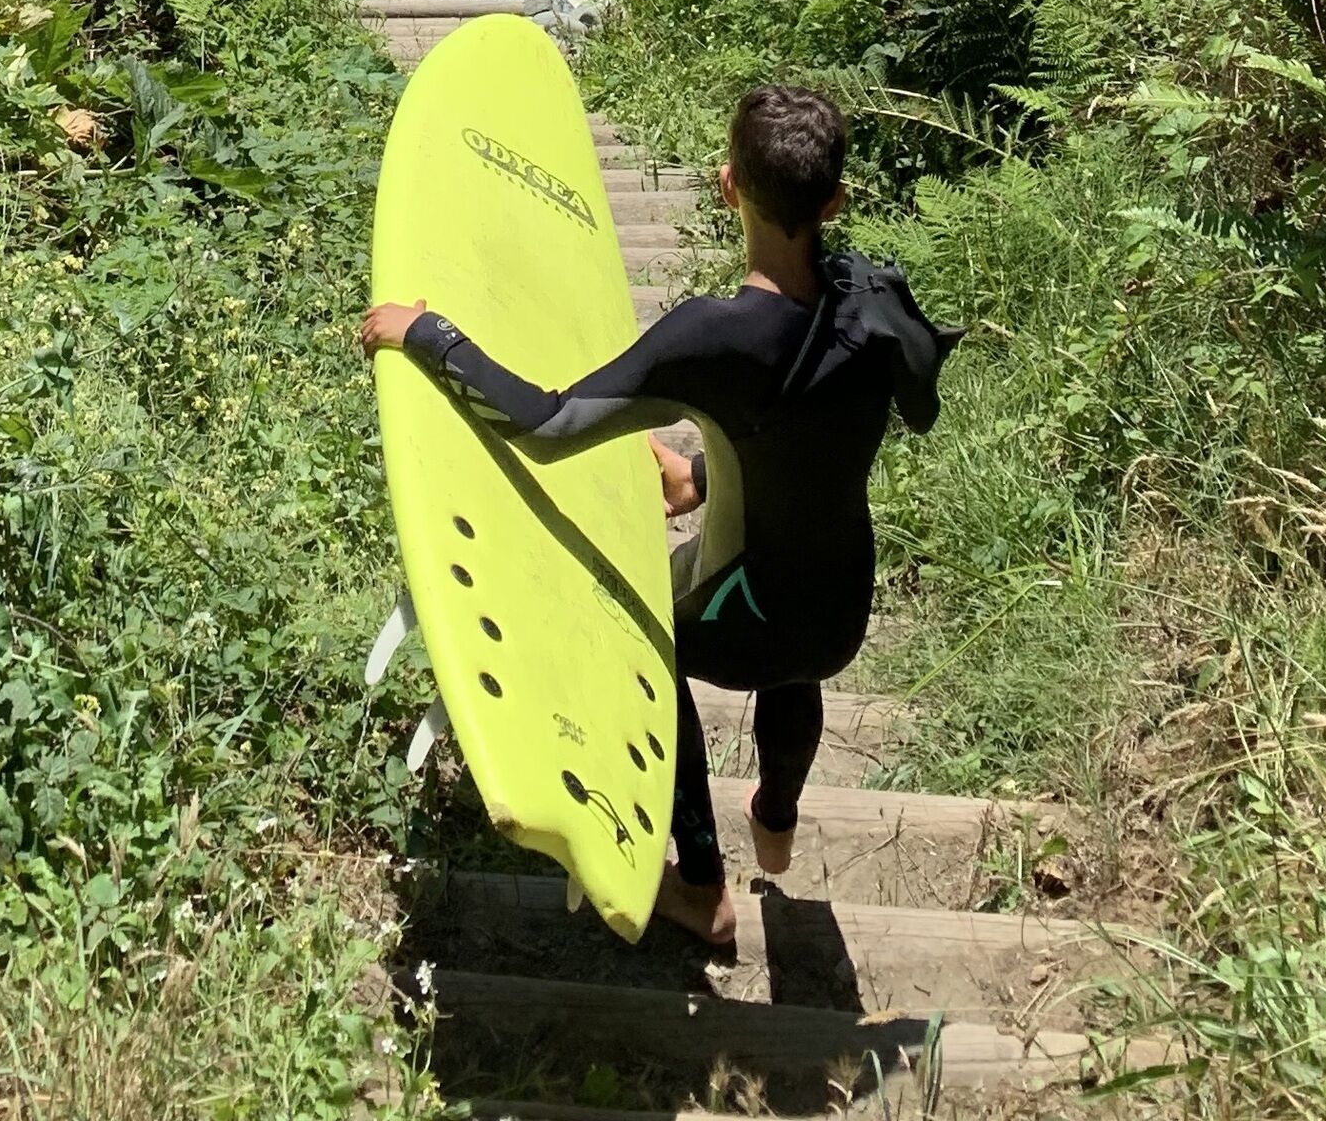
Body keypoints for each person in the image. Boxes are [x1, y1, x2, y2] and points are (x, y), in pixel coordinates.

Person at [360, 83, 952, 958]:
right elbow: (819, 437)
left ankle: (704, 887)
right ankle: (777, 817)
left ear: (725, 187)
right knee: (797, 655)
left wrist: (431, 334)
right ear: (834, 201)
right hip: (843, 612)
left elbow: (549, 425)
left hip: (755, 618)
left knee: (654, 646)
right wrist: (706, 474)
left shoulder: (716, 337)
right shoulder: (871, 307)